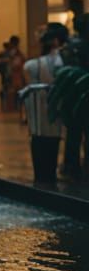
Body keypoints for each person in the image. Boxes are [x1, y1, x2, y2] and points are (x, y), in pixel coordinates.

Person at [19, 26, 66, 184]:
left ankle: (42, 180)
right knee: (53, 146)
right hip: (56, 115)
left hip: (39, 117)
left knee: (39, 148)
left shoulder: (33, 65)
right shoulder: (64, 60)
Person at [59, 13, 89, 179]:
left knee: (73, 133)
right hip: (84, 93)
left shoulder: (70, 47)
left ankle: (71, 166)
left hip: (72, 95)